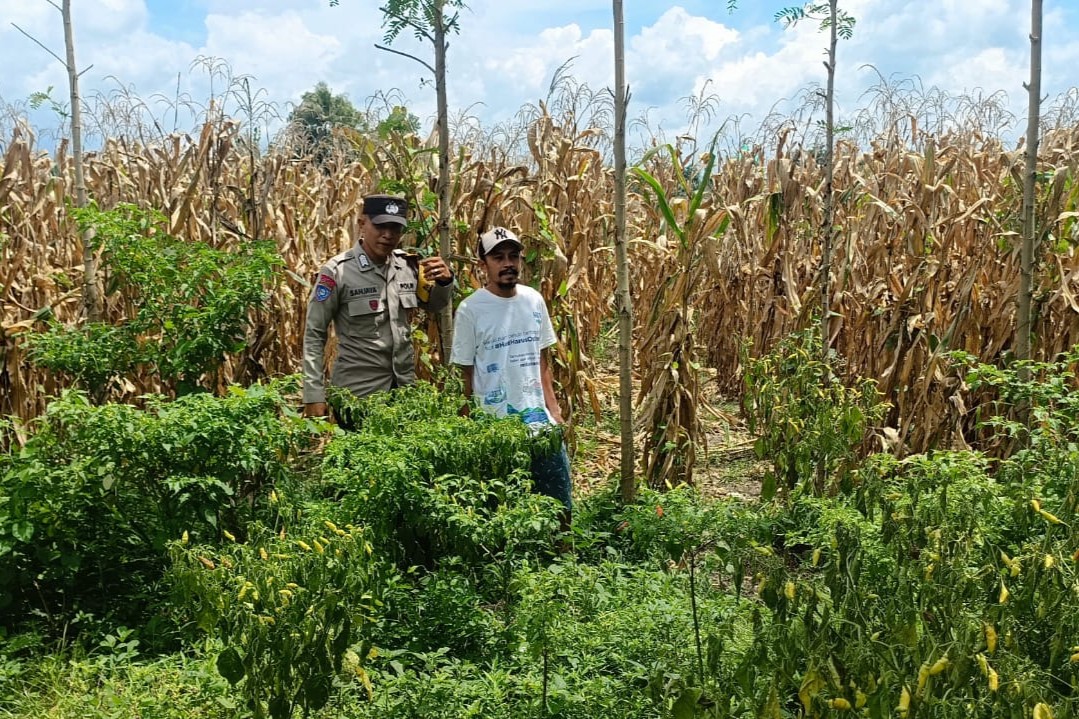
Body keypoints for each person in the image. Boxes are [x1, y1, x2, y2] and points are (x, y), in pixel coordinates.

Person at [450, 226, 572, 526]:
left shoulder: (533, 300)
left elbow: (542, 358)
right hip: (495, 428)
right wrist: (466, 424)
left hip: (539, 424)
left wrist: (555, 410)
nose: (508, 264)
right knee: (503, 510)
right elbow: (465, 373)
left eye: (513, 257)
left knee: (559, 503)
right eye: (498, 258)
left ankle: (562, 551)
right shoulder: (470, 310)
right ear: (483, 265)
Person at [302, 194, 453, 418]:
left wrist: (445, 282)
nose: (388, 235)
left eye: (395, 228)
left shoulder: (407, 266)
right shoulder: (337, 272)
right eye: (380, 226)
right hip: (357, 396)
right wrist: (313, 394)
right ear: (362, 223)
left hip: (403, 393)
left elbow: (435, 305)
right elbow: (314, 334)